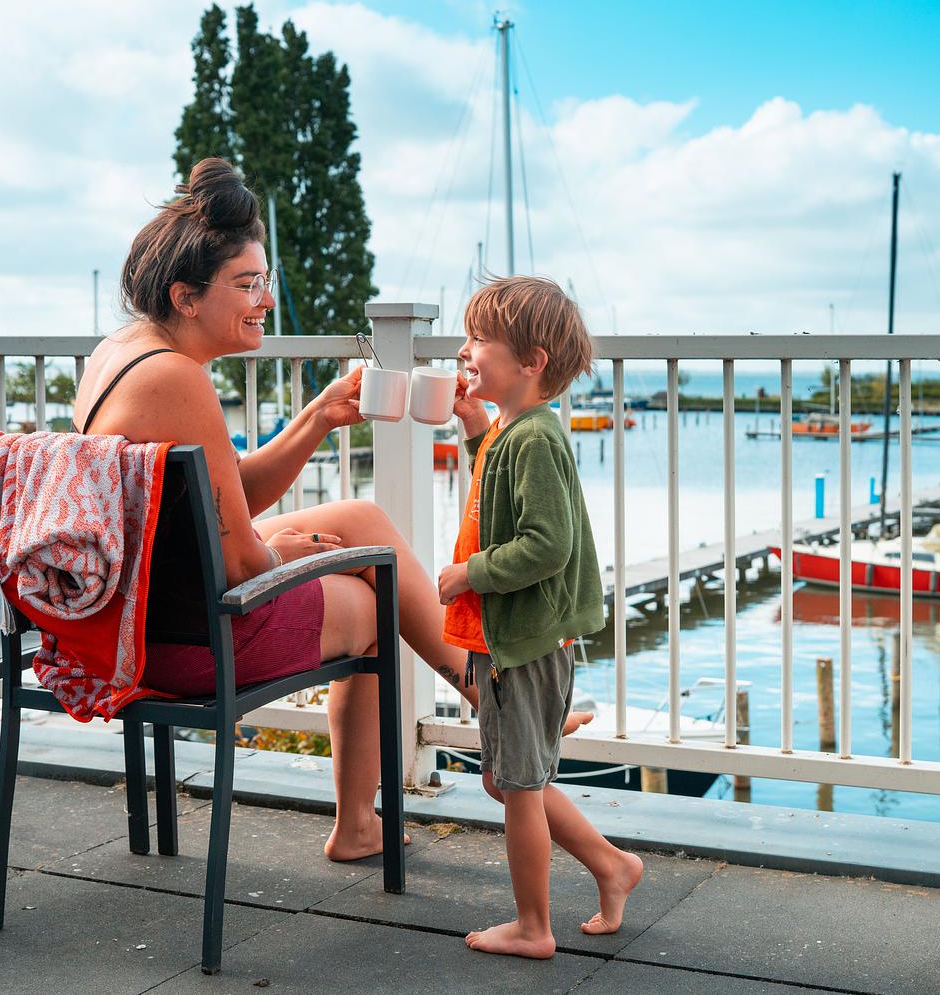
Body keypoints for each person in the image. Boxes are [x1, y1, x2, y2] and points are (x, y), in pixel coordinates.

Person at [74, 157, 482, 862]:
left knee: (359, 520)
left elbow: (225, 496)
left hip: (151, 605)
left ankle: (483, 690)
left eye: (264, 280)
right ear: (186, 296)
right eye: (246, 284)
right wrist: (283, 555)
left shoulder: (124, 351)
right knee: (374, 603)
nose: (264, 299)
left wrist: (318, 416)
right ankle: (395, 790)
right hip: (186, 641)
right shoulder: (177, 378)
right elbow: (241, 562)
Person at [436, 276, 643, 959]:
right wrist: (475, 429)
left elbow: (547, 544)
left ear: (531, 361)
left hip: (523, 643)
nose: (464, 351)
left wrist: (470, 573)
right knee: (505, 779)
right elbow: (497, 496)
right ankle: (612, 865)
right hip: (506, 640)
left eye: (479, 340)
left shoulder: (535, 439)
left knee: (519, 788)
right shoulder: (510, 430)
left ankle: (534, 927)